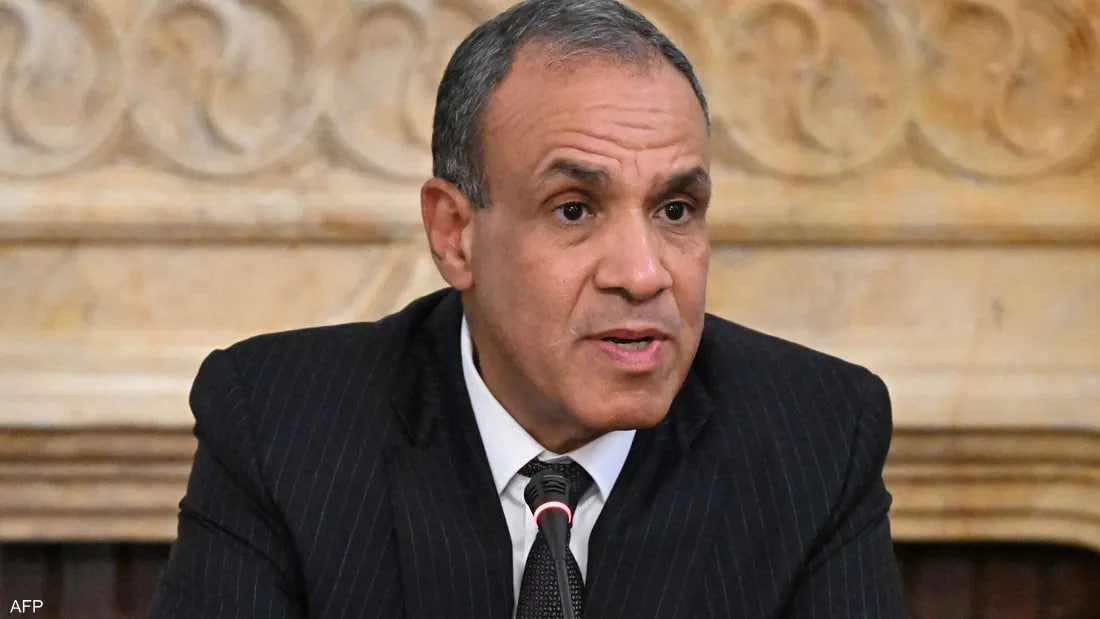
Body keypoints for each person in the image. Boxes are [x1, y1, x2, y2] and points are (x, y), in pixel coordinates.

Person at [149, 0, 908, 616]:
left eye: (675, 210)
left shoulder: (816, 435)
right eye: (574, 209)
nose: (644, 274)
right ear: (455, 235)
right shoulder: (281, 426)